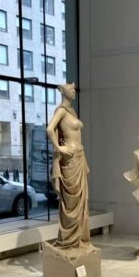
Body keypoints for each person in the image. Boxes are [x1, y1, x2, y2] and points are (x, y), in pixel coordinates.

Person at [46, 83, 91, 250]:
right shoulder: (61, 110)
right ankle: (68, 239)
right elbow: (49, 129)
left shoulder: (72, 111)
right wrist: (59, 148)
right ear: (64, 92)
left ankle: (78, 238)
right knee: (71, 200)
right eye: (71, 89)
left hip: (79, 156)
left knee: (81, 200)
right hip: (70, 159)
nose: (74, 91)